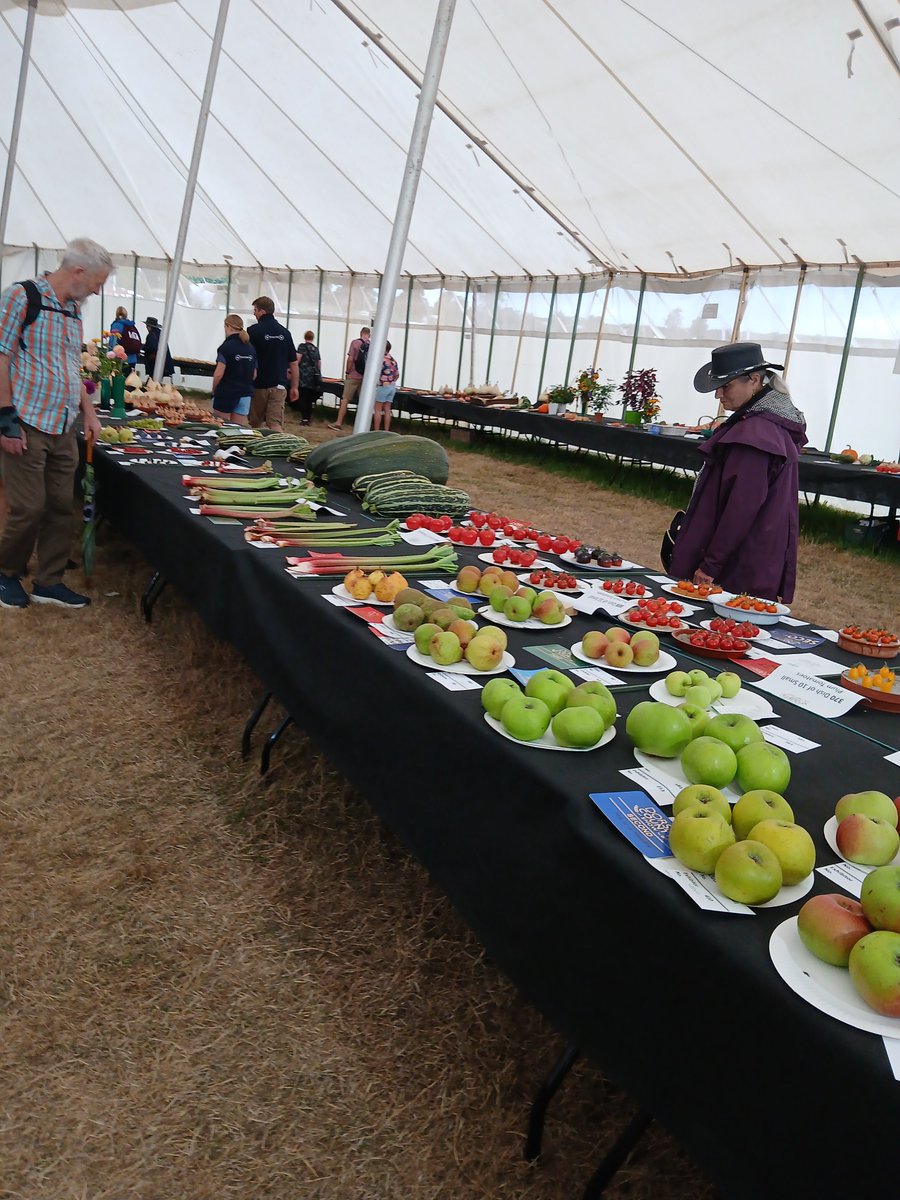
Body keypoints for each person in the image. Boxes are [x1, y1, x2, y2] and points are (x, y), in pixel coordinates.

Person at [0, 237, 109, 609]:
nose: (97, 290)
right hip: (27, 420)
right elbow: (1, 358)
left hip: (64, 424)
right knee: (29, 507)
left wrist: (90, 413)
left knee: (62, 505)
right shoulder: (21, 297)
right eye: (97, 282)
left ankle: (48, 581)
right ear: (78, 271)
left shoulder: (74, 309)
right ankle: (6, 574)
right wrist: (6, 421)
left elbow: (71, 367)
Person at [670, 342, 807, 602]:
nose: (718, 395)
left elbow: (741, 508)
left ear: (754, 380)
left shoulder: (756, 435)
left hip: (740, 562)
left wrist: (710, 565)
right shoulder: (762, 425)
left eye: (726, 386)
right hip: (749, 555)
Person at [246, 296, 298, 433]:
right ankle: (280, 449)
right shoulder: (285, 333)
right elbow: (294, 363)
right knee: (275, 424)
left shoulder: (253, 331)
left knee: (255, 424)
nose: (254, 313)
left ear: (262, 311)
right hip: (279, 385)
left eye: (255, 310)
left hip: (259, 385)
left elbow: (248, 358)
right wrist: (294, 387)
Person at [211, 314, 257, 426]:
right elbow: (254, 374)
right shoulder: (251, 348)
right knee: (236, 430)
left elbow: (219, 374)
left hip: (227, 393)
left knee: (219, 427)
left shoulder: (226, 347)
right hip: (245, 394)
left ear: (228, 326)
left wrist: (214, 389)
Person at [329, 326, 370, 431]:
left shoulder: (355, 343)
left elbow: (350, 359)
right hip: (366, 378)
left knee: (345, 399)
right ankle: (363, 425)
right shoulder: (372, 345)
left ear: (361, 333)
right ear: (369, 335)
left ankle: (338, 423)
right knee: (364, 402)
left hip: (353, 376)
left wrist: (347, 372)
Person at [295, 330, 322, 426]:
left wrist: (291, 370)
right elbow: (319, 363)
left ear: (305, 337)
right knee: (310, 399)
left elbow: (297, 360)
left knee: (303, 397)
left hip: (303, 376)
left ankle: (304, 418)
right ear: (313, 338)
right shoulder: (316, 349)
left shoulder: (302, 347)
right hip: (313, 377)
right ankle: (309, 418)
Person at [373, 340, 400, 431]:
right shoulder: (393, 360)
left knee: (377, 409)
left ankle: (376, 431)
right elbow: (397, 374)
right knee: (387, 410)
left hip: (383, 386)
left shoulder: (381, 360)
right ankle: (386, 430)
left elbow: (375, 373)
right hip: (392, 386)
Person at [108, 305, 142, 373]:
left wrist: (110, 353)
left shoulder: (117, 325)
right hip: (133, 359)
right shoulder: (131, 325)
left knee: (119, 381)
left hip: (121, 360)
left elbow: (113, 341)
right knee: (130, 381)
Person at [142, 316, 174, 381]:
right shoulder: (161, 334)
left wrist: (143, 347)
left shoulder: (151, 335)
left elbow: (152, 347)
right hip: (166, 364)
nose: (146, 327)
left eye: (147, 326)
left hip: (155, 365)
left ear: (149, 326)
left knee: (153, 384)